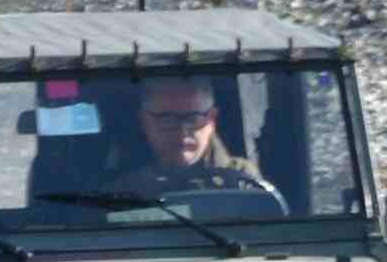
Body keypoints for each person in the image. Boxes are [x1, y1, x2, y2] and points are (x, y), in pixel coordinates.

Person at [113, 75, 290, 211]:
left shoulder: (241, 181)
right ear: (145, 122)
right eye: (167, 120)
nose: (182, 132)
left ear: (211, 120)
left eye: (193, 119)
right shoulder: (123, 189)